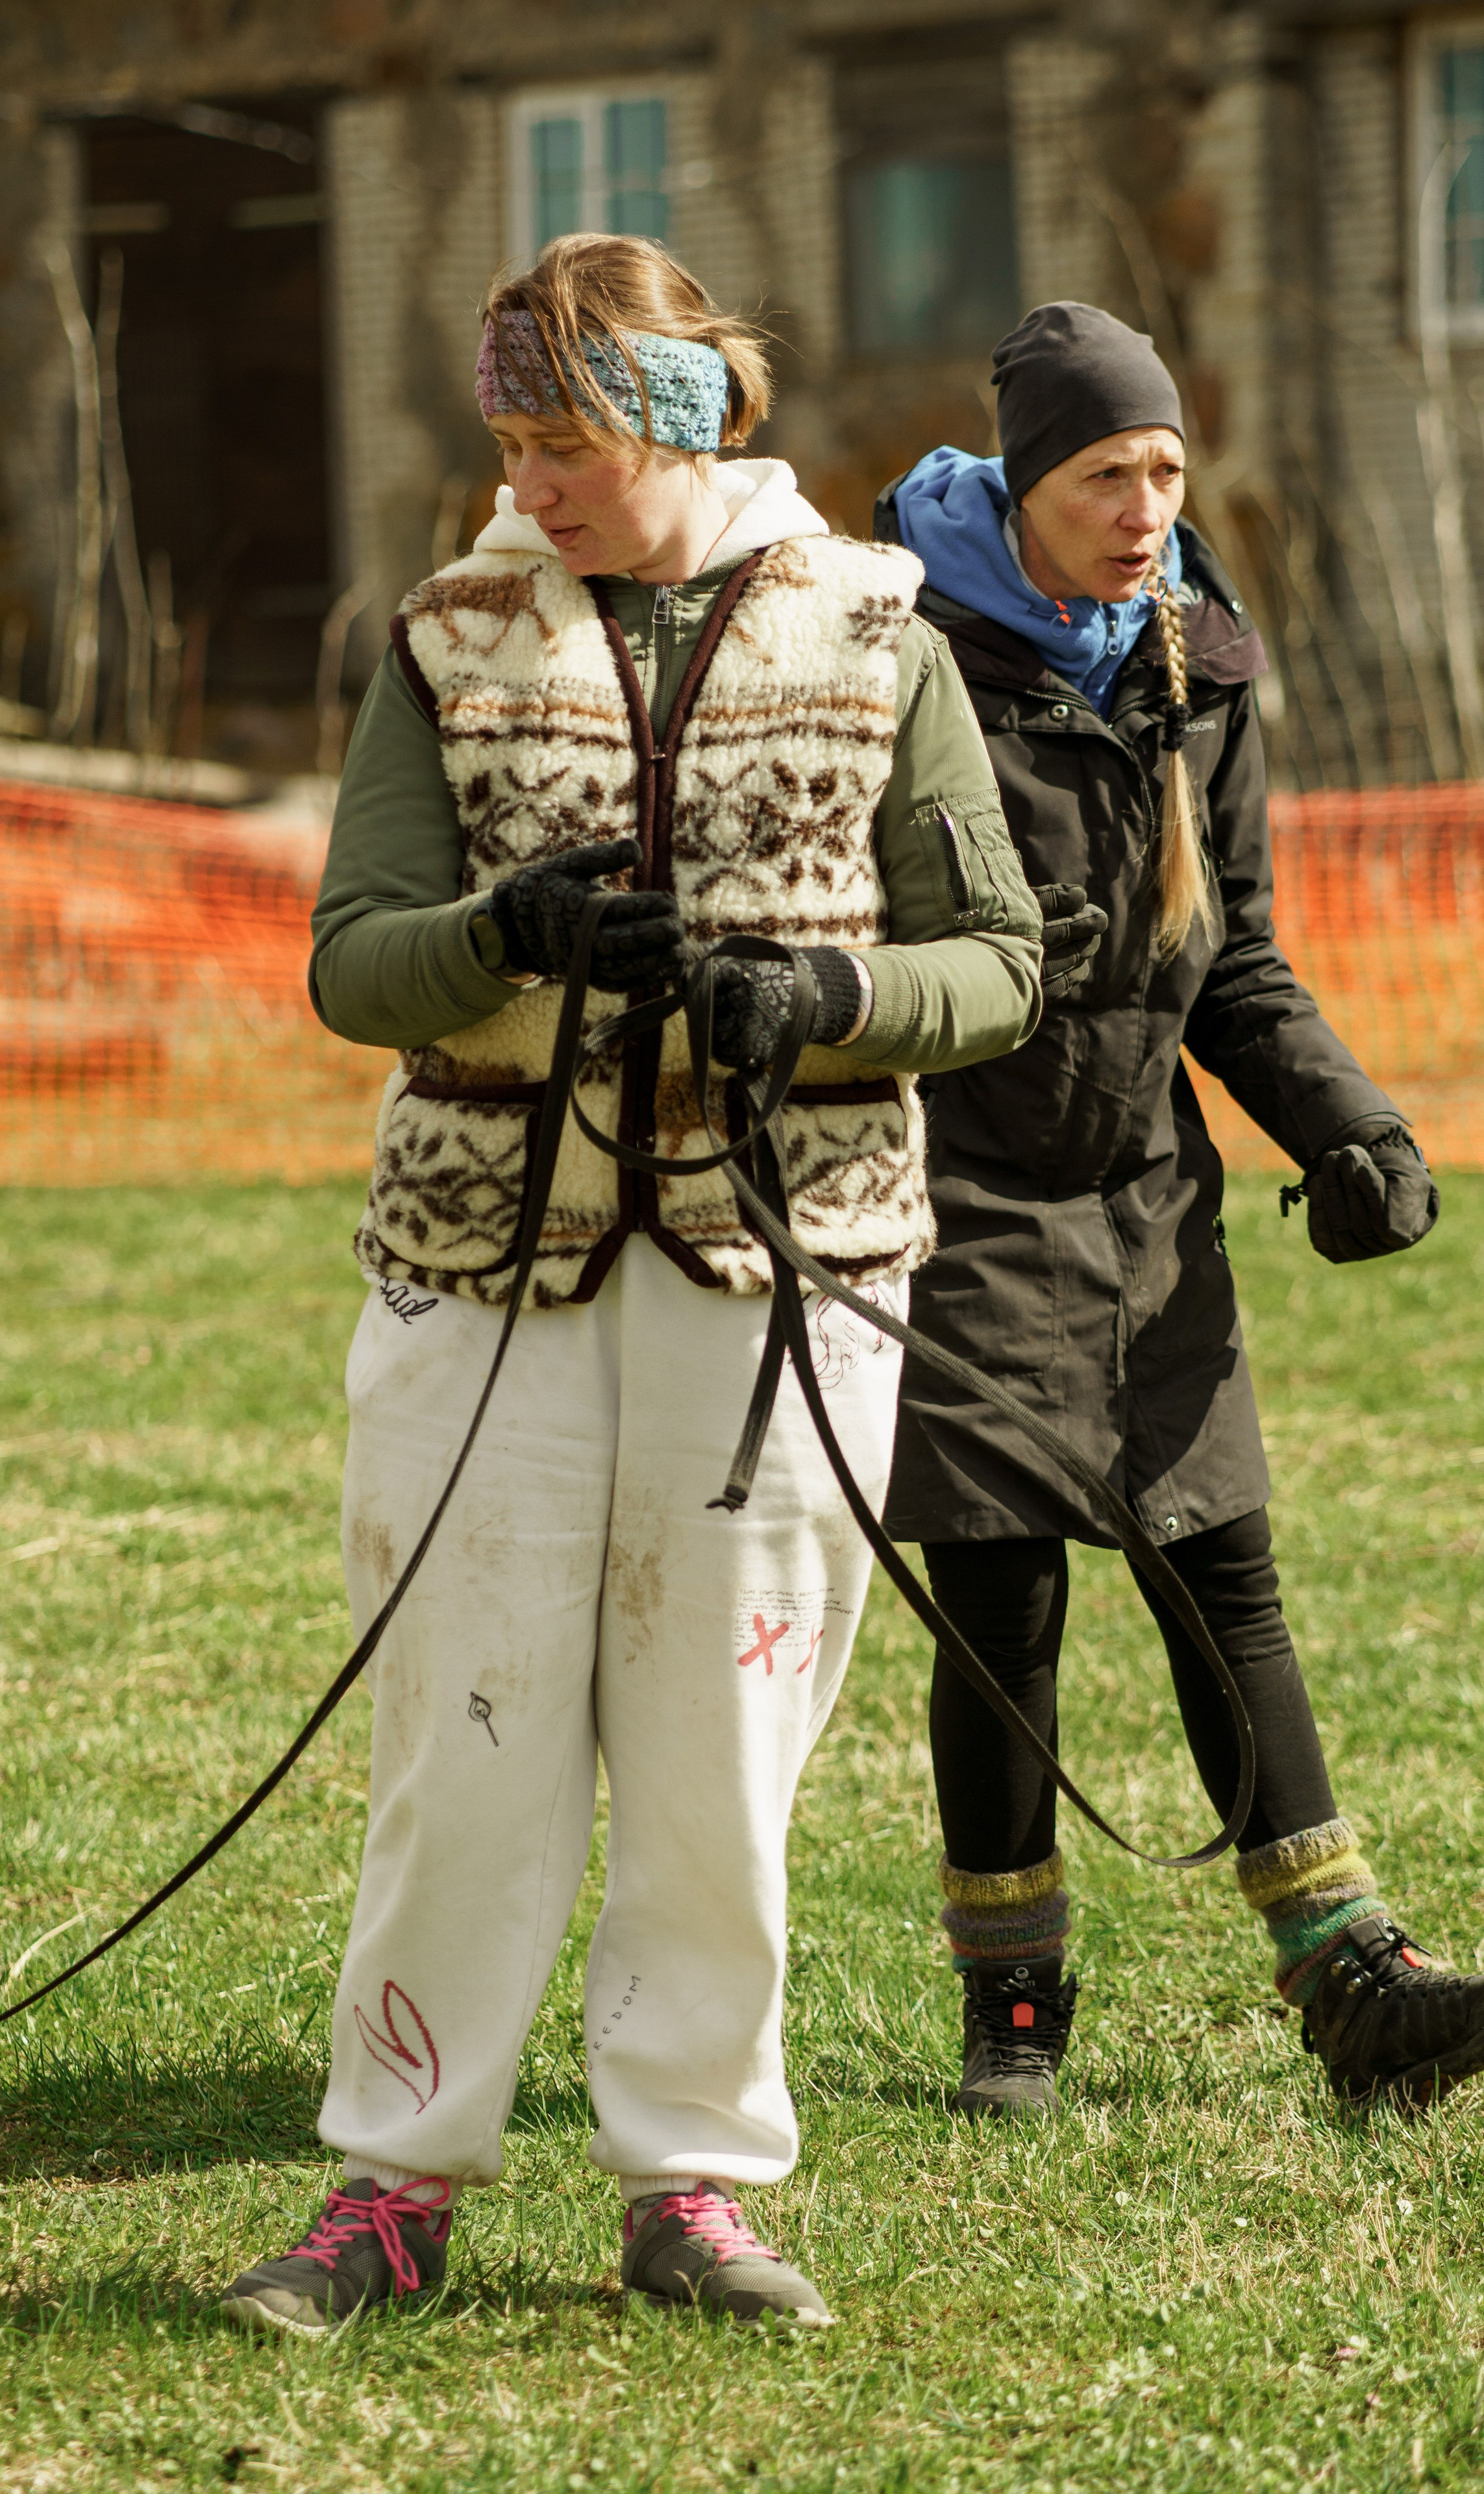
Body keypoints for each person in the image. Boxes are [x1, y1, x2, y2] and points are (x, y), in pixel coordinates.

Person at [219, 234, 1043, 2336]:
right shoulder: (447, 638)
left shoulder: (884, 635)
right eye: (507, 437)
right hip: (481, 1279)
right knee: (464, 1738)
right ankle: (394, 2177)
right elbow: (347, 958)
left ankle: (692, 2178)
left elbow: (1005, 963)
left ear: (683, 417)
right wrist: (504, 933)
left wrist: (824, 990)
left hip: (783, 1283)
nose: (528, 477)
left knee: (720, 1750)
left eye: (561, 437)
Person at [875, 301, 1484, 2121]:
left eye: (1166, 467)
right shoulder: (907, 652)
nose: (1145, 502)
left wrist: (1351, 1126)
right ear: (1027, 484)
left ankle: (1351, 1975)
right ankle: (1011, 2007)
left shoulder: (1199, 662)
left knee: (1223, 1560)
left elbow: (1236, 957)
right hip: (955, 1185)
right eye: (1108, 471)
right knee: (1001, 1595)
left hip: (1144, 1190)